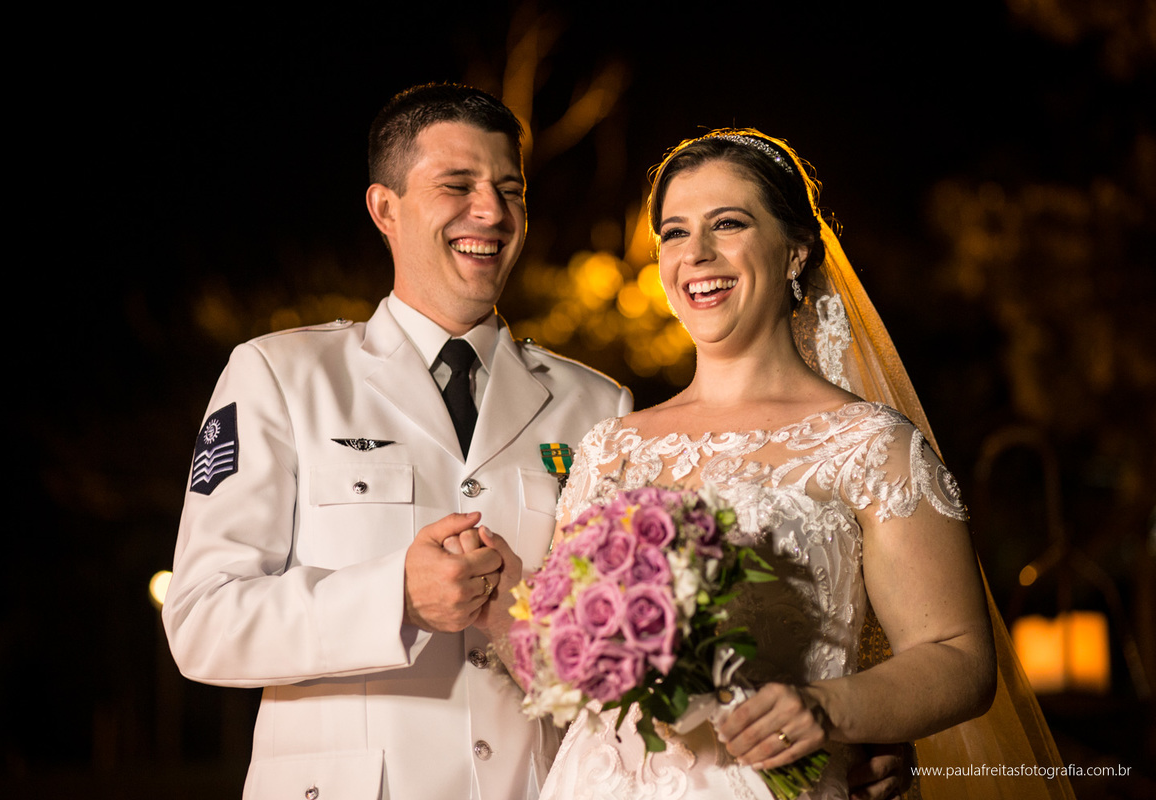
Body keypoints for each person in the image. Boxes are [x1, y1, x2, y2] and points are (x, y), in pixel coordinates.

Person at [162, 83, 632, 800]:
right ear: (385, 207)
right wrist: (394, 599)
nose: (493, 212)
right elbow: (203, 622)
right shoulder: (279, 376)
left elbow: (626, 650)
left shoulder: (599, 405)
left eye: (511, 189)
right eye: (458, 185)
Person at [538, 129, 1011, 800]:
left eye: (727, 224)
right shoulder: (608, 450)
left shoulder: (871, 447)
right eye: (674, 233)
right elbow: (561, 651)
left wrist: (833, 710)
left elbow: (961, 660)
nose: (695, 253)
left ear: (795, 251)